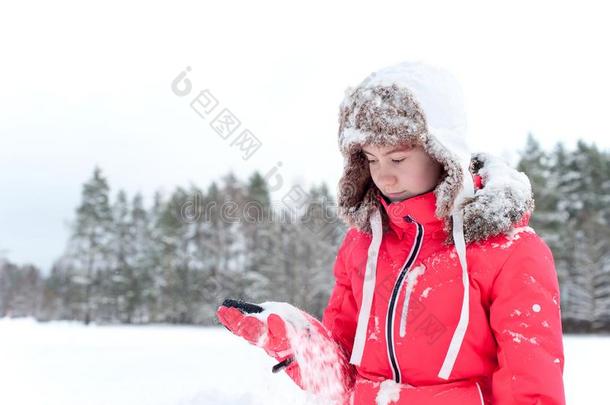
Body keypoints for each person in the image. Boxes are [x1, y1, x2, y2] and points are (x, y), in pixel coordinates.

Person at [216, 61, 566, 404]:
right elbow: (341, 381)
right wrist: (296, 341)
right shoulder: (362, 245)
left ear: (443, 154)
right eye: (370, 159)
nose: (383, 176)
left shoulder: (511, 251)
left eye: (397, 159)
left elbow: (531, 387)